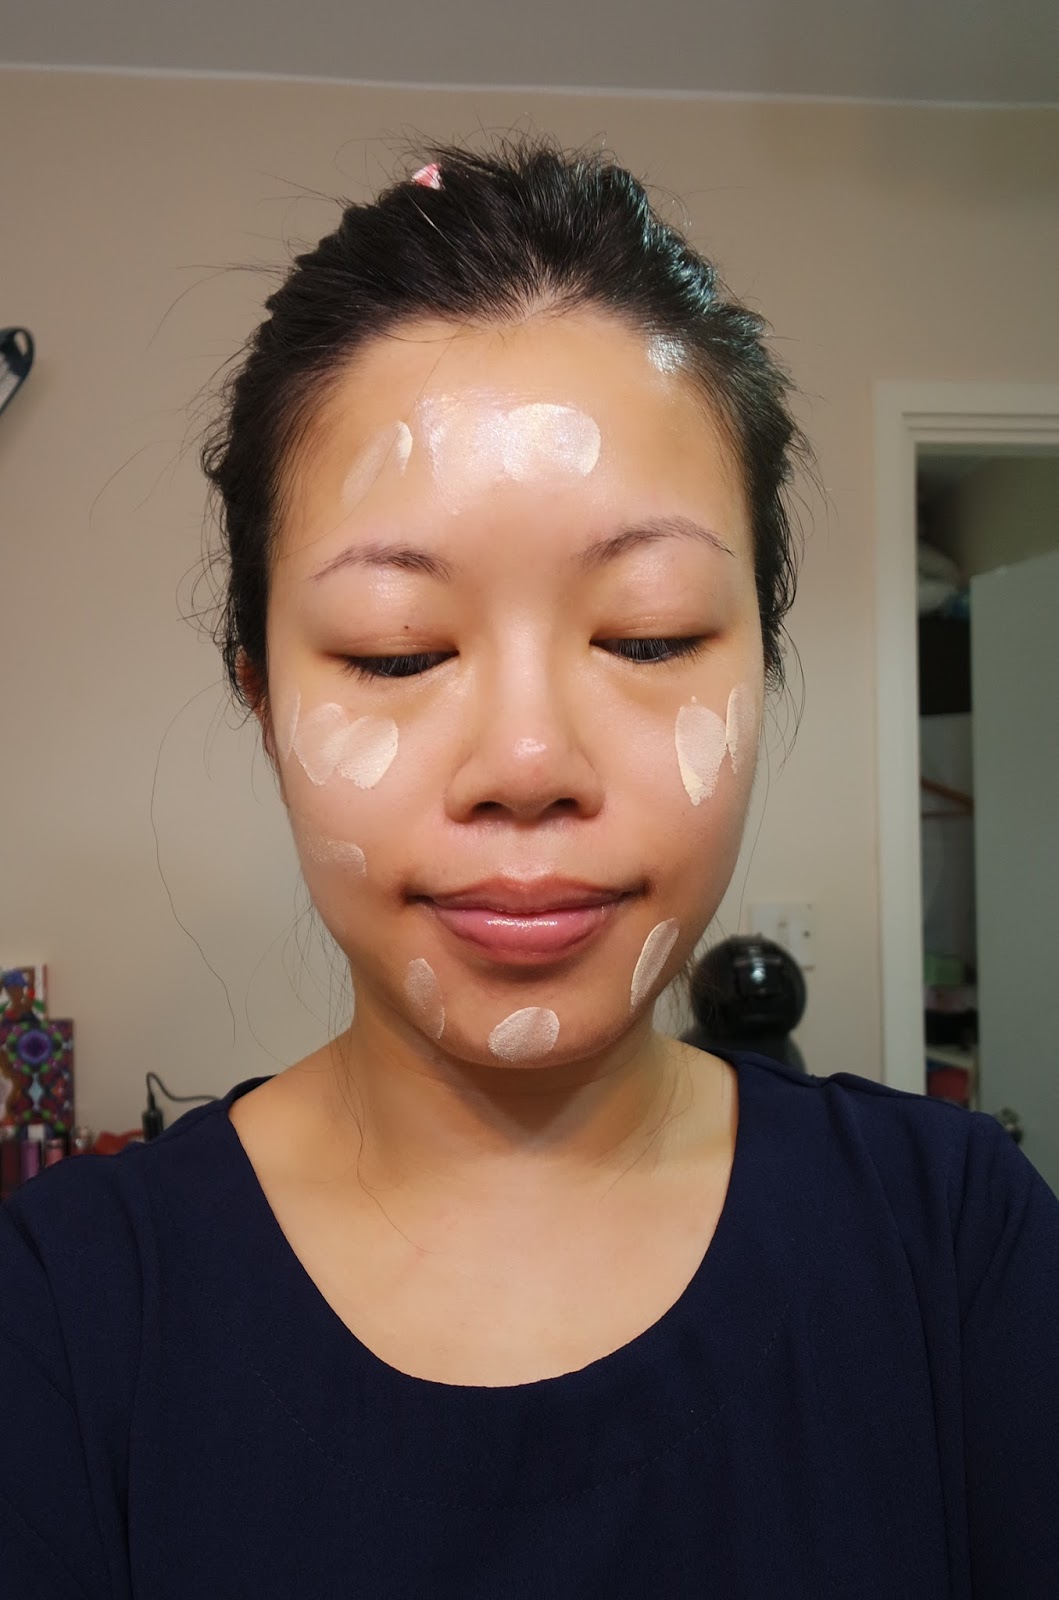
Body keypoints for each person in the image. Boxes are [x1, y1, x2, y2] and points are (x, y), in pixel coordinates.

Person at [1, 137, 1056, 1599]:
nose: (527, 760)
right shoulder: (63, 1314)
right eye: (397, 652)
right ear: (260, 693)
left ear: (763, 665)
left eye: (649, 634)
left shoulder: (958, 1245)